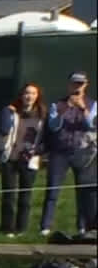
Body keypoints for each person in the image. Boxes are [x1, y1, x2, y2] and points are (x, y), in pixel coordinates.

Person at [41, 71, 96, 235]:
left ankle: (82, 225)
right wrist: (65, 108)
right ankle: (45, 226)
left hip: (83, 152)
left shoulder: (93, 104)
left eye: (80, 84)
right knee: (52, 189)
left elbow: (91, 125)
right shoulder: (57, 105)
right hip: (60, 152)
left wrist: (83, 108)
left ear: (86, 85)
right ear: (69, 85)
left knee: (83, 190)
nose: (77, 87)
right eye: (74, 83)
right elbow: (53, 126)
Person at [0, 84, 46, 237]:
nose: (29, 96)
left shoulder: (43, 115)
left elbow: (46, 139)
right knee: (9, 194)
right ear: (21, 95)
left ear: (37, 96)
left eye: (32, 93)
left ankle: (22, 228)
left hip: (29, 158)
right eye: (26, 93)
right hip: (10, 156)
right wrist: (7, 112)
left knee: (26, 195)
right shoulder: (10, 112)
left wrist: (36, 151)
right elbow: (3, 130)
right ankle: (7, 228)